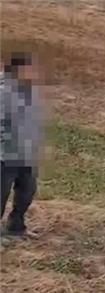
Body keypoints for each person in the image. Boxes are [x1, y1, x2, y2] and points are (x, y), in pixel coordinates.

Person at [1, 51, 43, 237]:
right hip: (5, 154)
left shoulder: (27, 90)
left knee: (27, 192)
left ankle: (16, 227)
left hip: (25, 153)